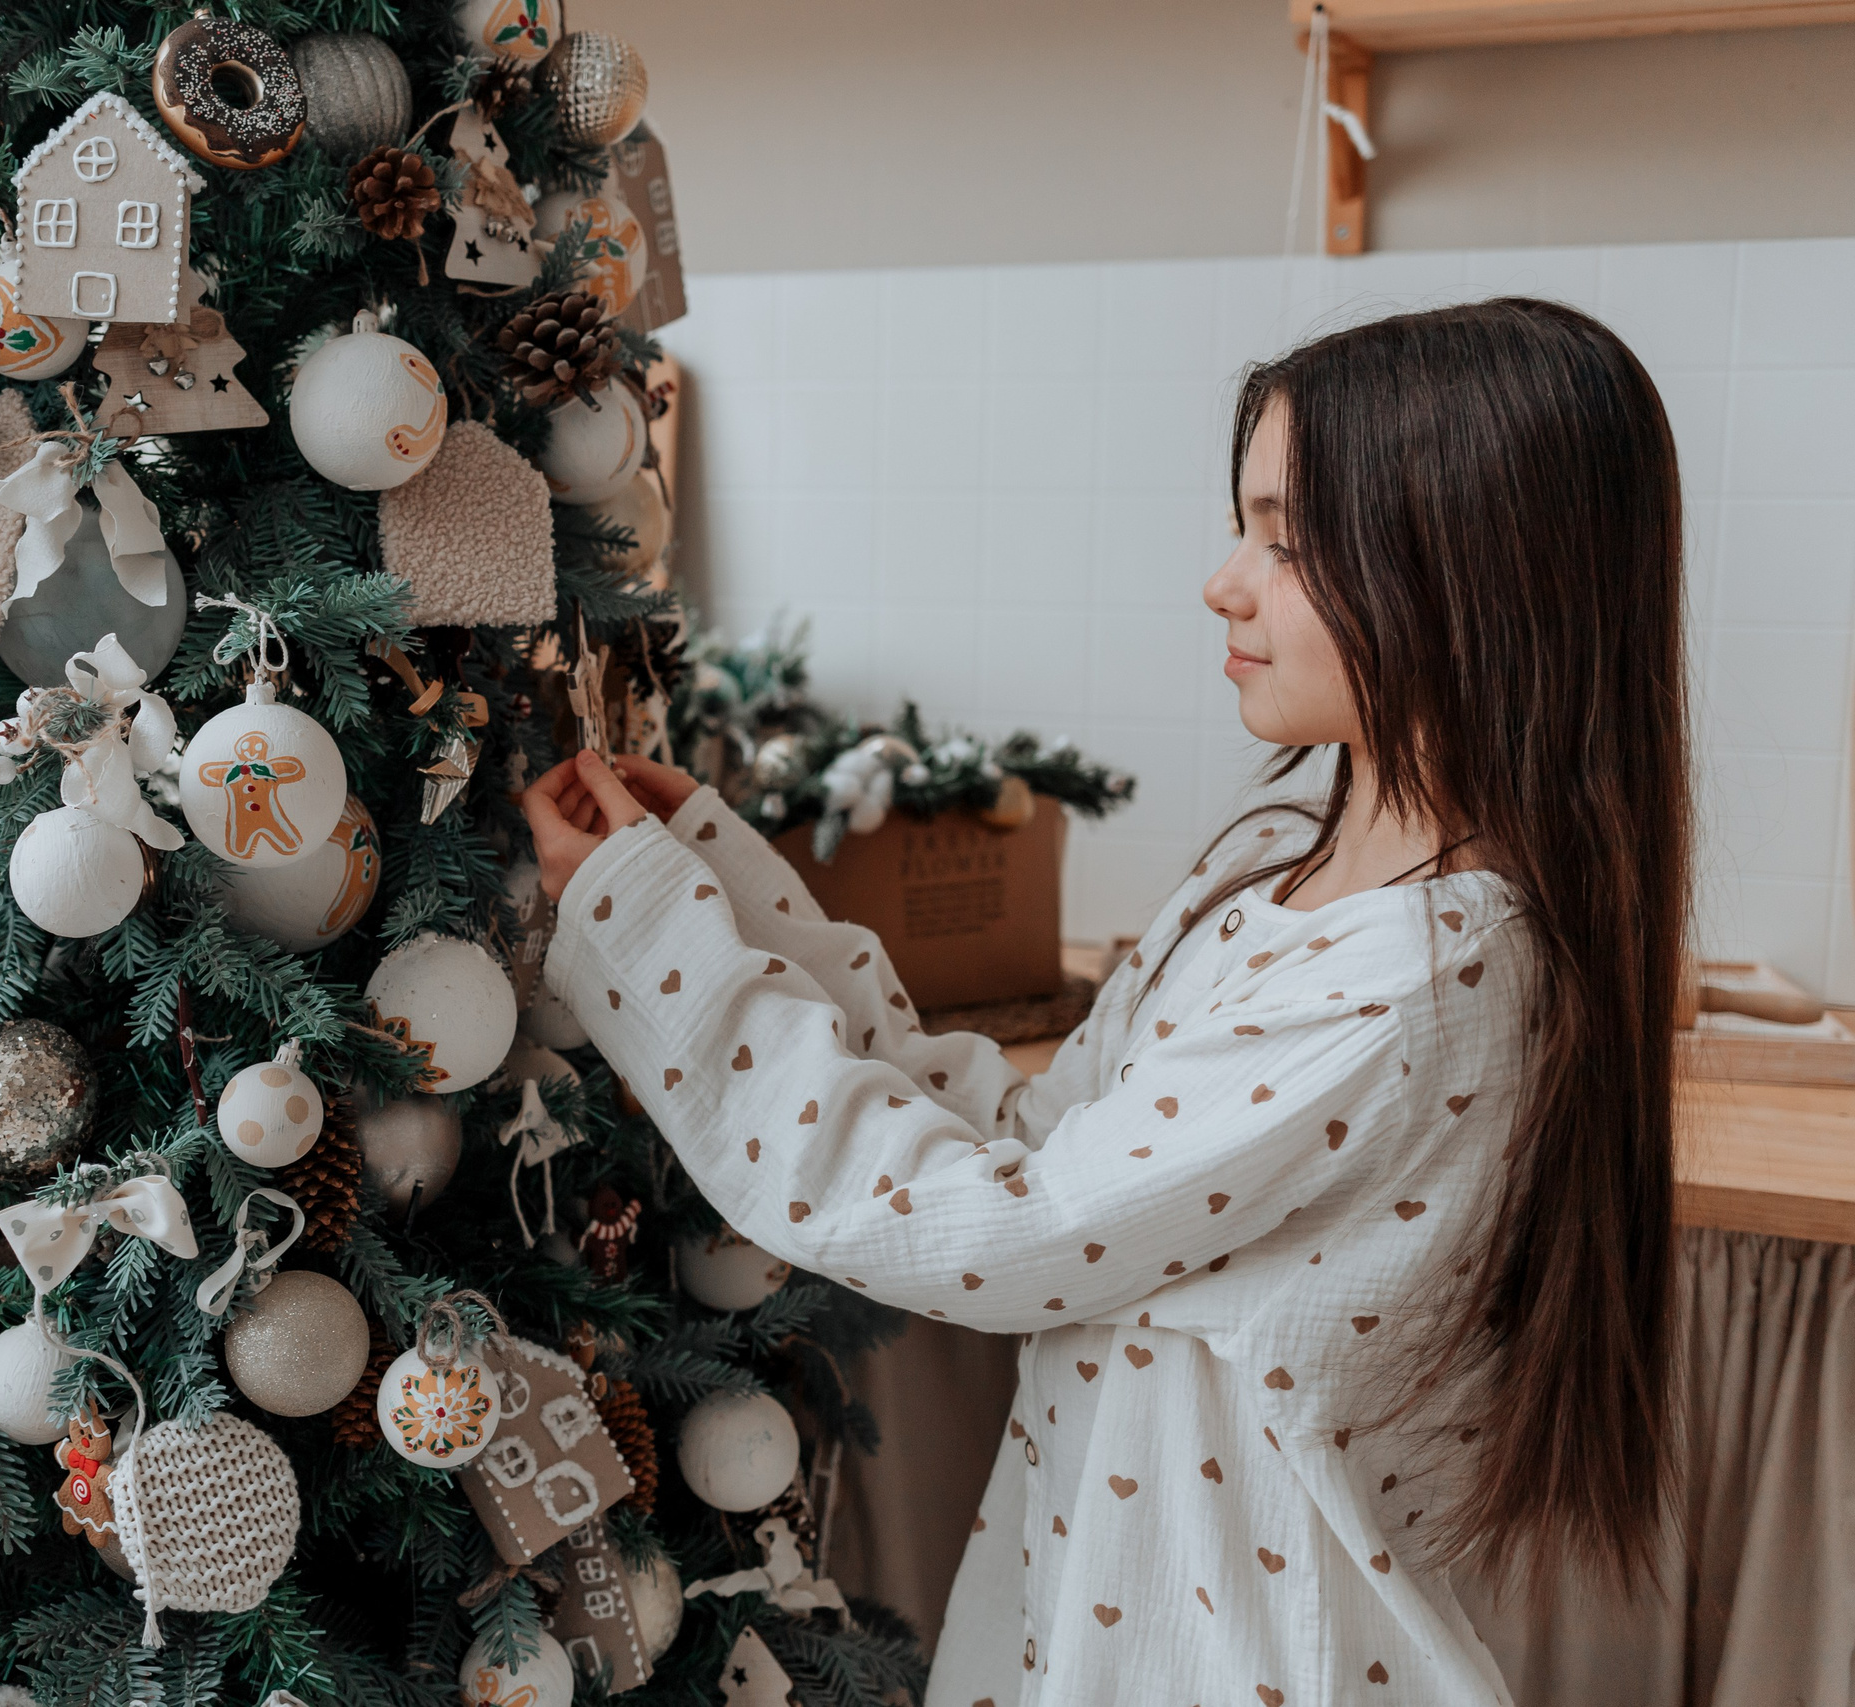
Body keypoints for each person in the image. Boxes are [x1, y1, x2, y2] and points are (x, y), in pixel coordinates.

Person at [520, 298, 1687, 1706]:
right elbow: (1028, 1139)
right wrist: (713, 885)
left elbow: (1006, 1228)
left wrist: (650, 931)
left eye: (1286, 539)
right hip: (1098, 1632)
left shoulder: (1419, 975)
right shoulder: (1274, 865)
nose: (1224, 583)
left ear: (1466, 572)